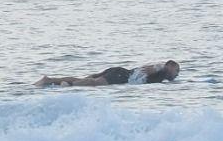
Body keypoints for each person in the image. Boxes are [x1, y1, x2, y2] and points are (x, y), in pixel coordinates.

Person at [36, 60, 180, 87]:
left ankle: (49, 80)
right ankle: (67, 85)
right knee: (93, 83)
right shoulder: (161, 68)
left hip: (120, 73)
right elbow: (145, 69)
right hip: (122, 76)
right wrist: (136, 79)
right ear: (170, 66)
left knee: (88, 80)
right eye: (177, 70)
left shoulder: (162, 75)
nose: (177, 74)